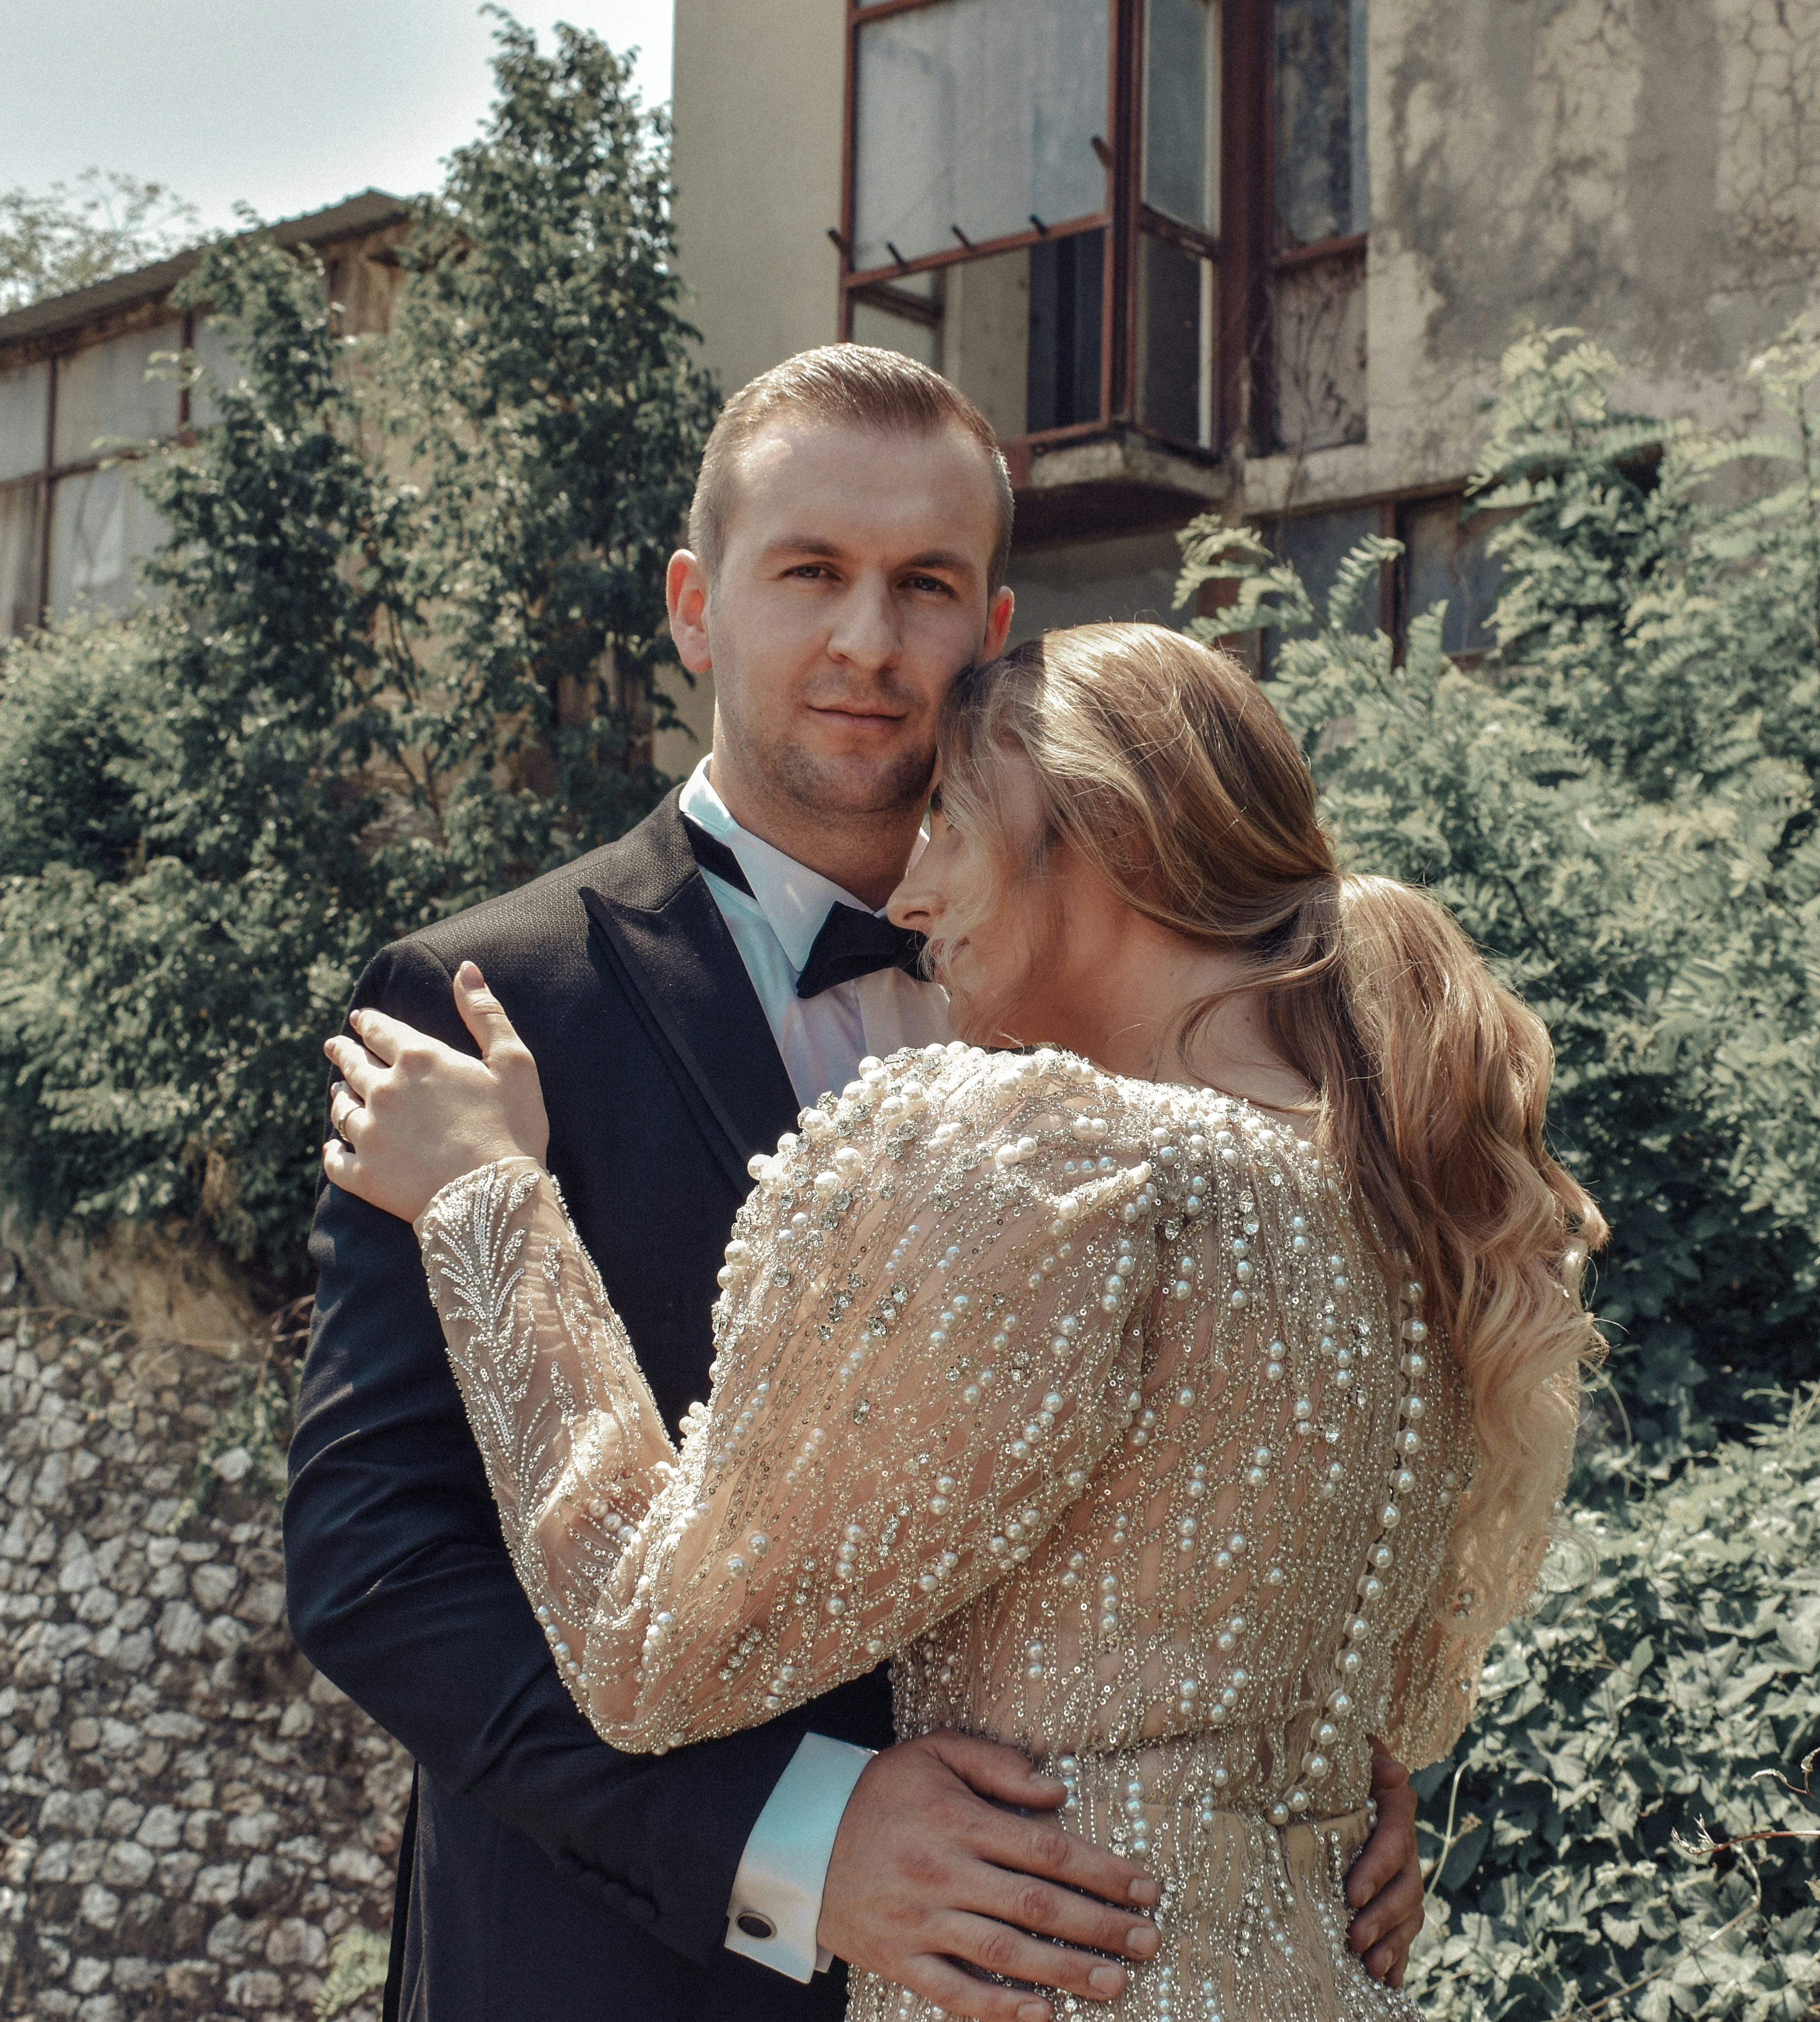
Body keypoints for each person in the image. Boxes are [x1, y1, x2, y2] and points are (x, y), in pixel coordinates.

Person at [283, 349, 1426, 2022]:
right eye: (810, 572)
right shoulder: (488, 1002)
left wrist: (1303, 1760)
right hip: (622, 1977)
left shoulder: (1122, 1010)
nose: (871, 641)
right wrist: (796, 1841)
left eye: (926, 586)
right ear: (697, 608)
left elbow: (1214, 1477)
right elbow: (377, 1561)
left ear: (995, 629)